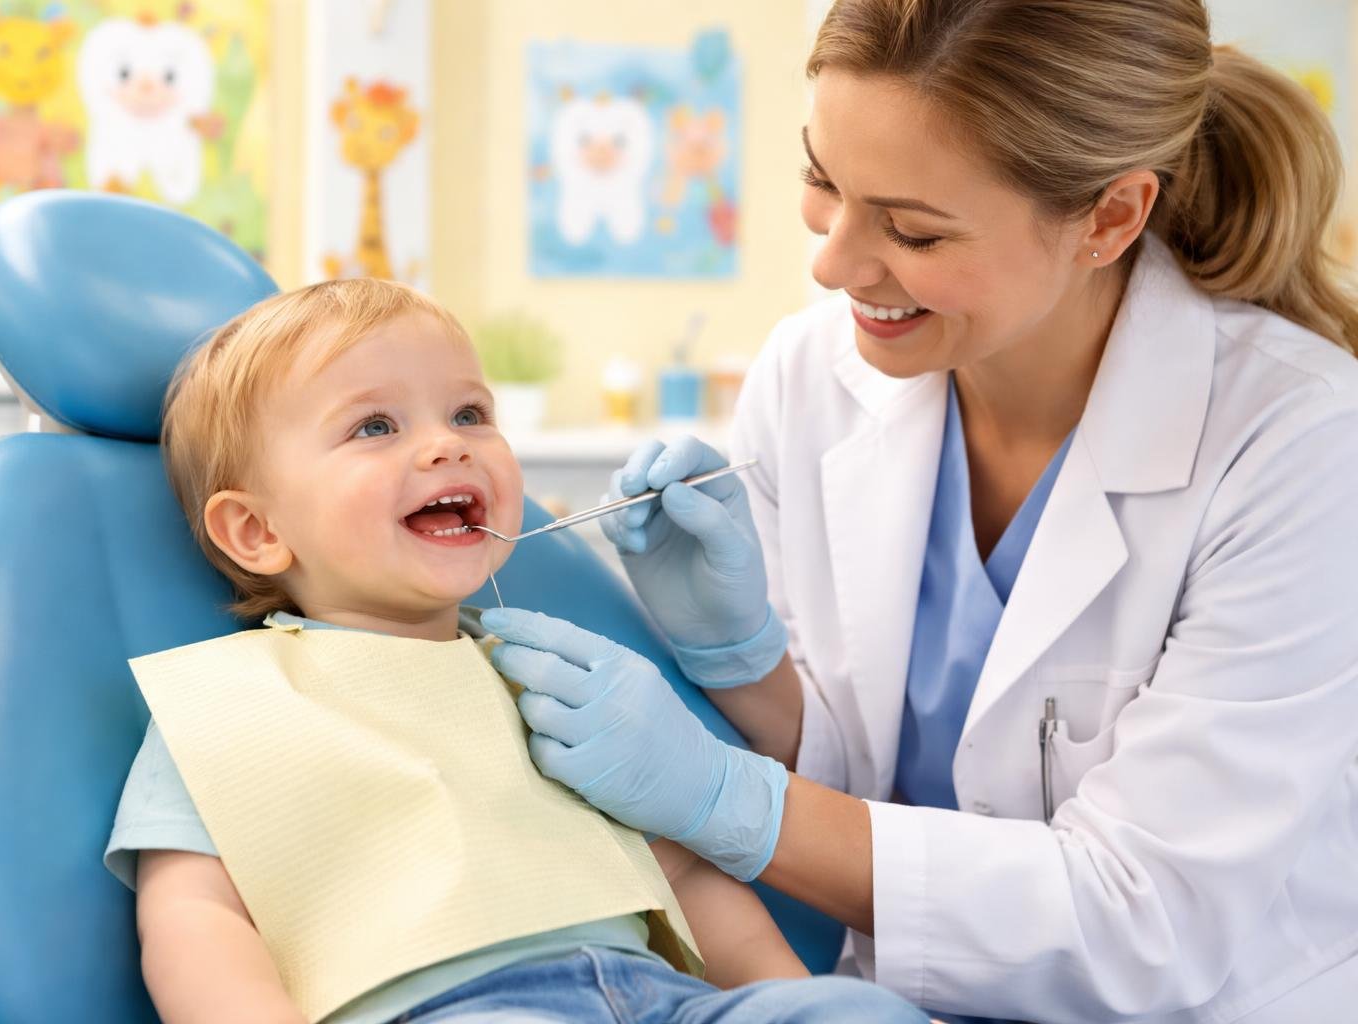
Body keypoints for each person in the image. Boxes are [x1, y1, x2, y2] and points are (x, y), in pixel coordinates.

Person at [485, 2, 1358, 1021]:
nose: (834, 263)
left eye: (912, 229)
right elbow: (867, 769)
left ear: (1112, 218)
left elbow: (1144, 921)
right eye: (823, 181)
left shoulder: (1298, 442)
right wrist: (746, 664)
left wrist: (726, 798)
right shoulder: (812, 374)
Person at [102, 278, 929, 1024]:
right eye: (375, 426)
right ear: (257, 529)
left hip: (664, 999)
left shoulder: (550, 680)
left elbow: (681, 879)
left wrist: (788, 999)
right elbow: (194, 918)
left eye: (469, 414)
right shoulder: (225, 701)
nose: (445, 445)